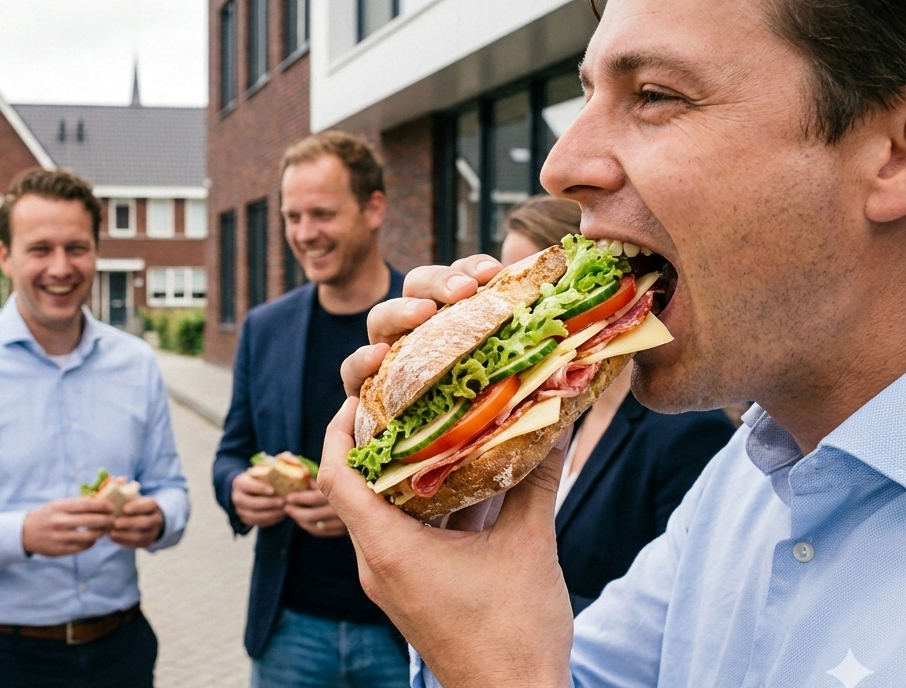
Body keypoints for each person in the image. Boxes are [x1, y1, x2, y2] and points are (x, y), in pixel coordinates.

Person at [319, 0, 906, 685]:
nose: (559, 166)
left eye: (655, 95)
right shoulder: (740, 485)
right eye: (586, 95)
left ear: (891, 156)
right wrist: (462, 540)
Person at [0, 168, 190, 688]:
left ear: (96, 251)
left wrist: (158, 519)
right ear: (5, 256)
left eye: (76, 248)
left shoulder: (137, 364)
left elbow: (174, 493)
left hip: (121, 650)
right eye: (39, 249)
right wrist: (21, 534)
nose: (60, 267)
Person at [211, 131, 407, 687]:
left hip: (402, 625)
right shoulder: (263, 329)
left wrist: (360, 508)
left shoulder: (429, 320)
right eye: (292, 217)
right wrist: (235, 488)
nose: (303, 234)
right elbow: (230, 451)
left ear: (374, 208)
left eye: (320, 214)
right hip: (289, 626)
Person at [500, 195, 733, 615]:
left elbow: (677, 611)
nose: (513, 319)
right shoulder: (562, 412)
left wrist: (511, 608)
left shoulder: (689, 432)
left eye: (530, 298)